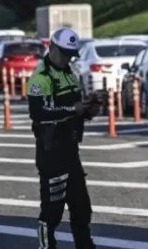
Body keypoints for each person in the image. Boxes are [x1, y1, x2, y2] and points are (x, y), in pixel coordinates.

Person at [27, 28, 102, 249]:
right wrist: (74, 108)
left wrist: (91, 106)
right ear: (51, 48)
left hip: (71, 151)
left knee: (81, 207)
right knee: (52, 210)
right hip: (51, 153)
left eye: (71, 54)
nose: (67, 58)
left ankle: (85, 245)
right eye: (63, 53)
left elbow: (77, 110)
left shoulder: (70, 74)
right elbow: (38, 113)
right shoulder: (40, 77)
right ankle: (45, 246)